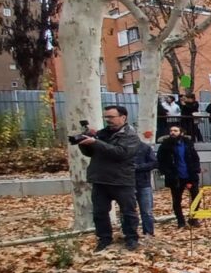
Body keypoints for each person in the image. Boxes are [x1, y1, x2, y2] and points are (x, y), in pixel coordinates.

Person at [77, 105, 142, 251]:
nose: (108, 120)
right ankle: (104, 238)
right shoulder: (102, 134)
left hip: (122, 180)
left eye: (111, 117)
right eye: (106, 117)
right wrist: (84, 143)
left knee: (128, 211)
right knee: (100, 212)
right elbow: (90, 153)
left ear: (123, 117)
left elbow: (121, 153)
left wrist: (96, 142)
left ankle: (131, 238)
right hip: (100, 179)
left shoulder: (130, 136)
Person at [157, 125, 202, 228]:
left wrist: (196, 168)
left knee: (196, 198)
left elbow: (195, 158)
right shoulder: (165, 146)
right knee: (177, 200)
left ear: (181, 133)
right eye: (171, 130)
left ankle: (193, 219)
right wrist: (166, 172)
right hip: (175, 177)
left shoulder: (188, 144)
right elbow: (160, 161)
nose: (172, 132)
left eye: (175, 131)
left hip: (190, 175)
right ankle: (180, 221)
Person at [134, 140, 157, 236]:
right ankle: (131, 234)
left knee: (147, 211)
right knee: (127, 211)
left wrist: (138, 167)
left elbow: (153, 163)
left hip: (144, 183)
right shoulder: (120, 147)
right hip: (126, 183)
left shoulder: (145, 147)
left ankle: (148, 232)